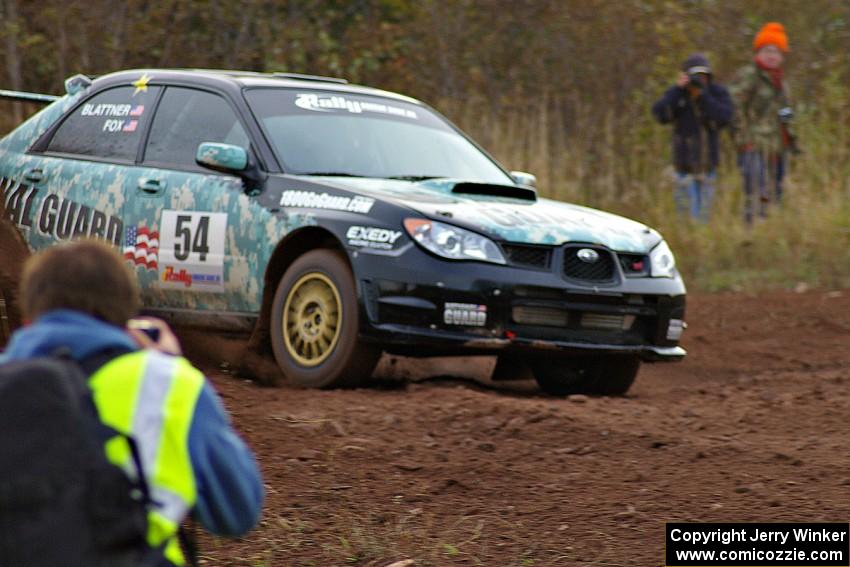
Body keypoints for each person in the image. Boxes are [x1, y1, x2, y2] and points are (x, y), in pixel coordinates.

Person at [0, 240, 263, 566]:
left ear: (27, 320)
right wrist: (170, 363)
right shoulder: (166, 384)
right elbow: (238, 511)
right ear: (127, 319)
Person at [729, 22, 799, 224]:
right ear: (758, 51)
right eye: (767, 50)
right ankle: (751, 230)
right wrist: (743, 139)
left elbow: (785, 113)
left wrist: (791, 139)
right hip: (753, 145)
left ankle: (770, 229)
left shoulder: (781, 82)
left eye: (777, 52)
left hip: (776, 146)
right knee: (755, 190)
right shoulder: (749, 76)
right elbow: (735, 108)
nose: (772, 56)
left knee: (775, 191)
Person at [652, 53, 734, 222]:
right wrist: (677, 90)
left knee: (703, 218)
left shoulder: (717, 93)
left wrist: (702, 96)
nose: (699, 80)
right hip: (684, 167)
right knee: (687, 219)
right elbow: (660, 114)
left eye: (703, 76)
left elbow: (724, 117)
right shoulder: (678, 95)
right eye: (696, 76)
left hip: (707, 166)